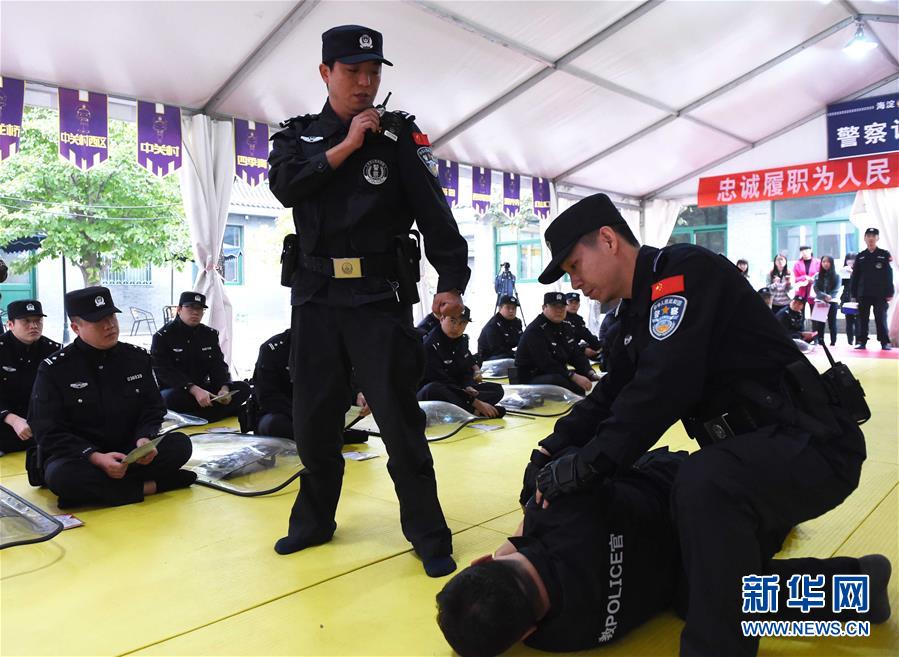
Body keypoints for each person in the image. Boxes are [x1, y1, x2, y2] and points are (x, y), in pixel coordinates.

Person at [524, 193, 866, 657]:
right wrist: (552, 448)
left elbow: (662, 389)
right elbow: (613, 393)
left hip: (812, 446)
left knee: (702, 483)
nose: (574, 280)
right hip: (753, 457)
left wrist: (586, 466)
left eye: (574, 263)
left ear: (607, 240)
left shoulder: (682, 276)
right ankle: (855, 589)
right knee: (699, 588)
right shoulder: (634, 316)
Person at [267, 25, 470, 576]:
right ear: (325, 73)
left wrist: (450, 280)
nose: (364, 81)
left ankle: (428, 533)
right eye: (353, 71)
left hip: (378, 300)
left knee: (400, 422)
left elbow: (436, 215)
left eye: (373, 72)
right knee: (313, 421)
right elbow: (285, 188)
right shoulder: (297, 137)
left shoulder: (401, 137)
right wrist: (348, 144)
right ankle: (313, 523)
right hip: (315, 299)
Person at [436, 448, 891, 657]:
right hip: (692, 498)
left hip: (690, 568)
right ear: (483, 560)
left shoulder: (559, 639)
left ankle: (859, 586)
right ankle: (778, 517)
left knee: (716, 601)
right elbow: (595, 458)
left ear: (526, 630)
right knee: (719, 573)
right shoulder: (553, 512)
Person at [28, 286, 195, 508]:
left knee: (181, 445)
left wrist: (145, 439)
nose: (110, 326)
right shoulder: (55, 369)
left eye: (111, 317)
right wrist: (95, 456)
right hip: (81, 457)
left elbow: (153, 408)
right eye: (98, 321)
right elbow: (47, 430)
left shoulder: (136, 358)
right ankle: (152, 486)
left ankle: (102, 493)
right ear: (76, 327)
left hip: (129, 452)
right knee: (63, 477)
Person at [251, 328, 369, 443]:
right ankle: (329, 437)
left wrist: (359, 394)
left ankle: (323, 436)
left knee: (356, 407)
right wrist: (303, 415)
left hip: (319, 411)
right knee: (277, 425)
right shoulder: (273, 348)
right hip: (285, 412)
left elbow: (345, 379)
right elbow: (267, 396)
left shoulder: (330, 346)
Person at [150, 291, 251, 422]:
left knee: (243, 388)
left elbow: (218, 365)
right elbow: (164, 371)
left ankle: (197, 417)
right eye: (190, 307)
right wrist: (193, 389)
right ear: (179, 309)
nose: (195, 312)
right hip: (179, 390)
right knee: (168, 399)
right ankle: (218, 414)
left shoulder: (209, 334)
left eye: (200, 309)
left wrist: (224, 388)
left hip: (206, 390)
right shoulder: (163, 336)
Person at [418, 306, 505, 419]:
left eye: (462, 323)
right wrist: (474, 401)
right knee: (433, 388)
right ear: (442, 319)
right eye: (453, 321)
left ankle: (465, 410)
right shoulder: (429, 344)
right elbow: (441, 381)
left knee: (497, 389)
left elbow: (465, 370)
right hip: (435, 393)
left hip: (457, 391)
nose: (456, 327)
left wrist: (467, 386)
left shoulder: (462, 341)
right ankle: (472, 411)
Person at [0, 300, 60, 454]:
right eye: (26, 321)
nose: (34, 326)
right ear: (10, 324)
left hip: (39, 426)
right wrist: (11, 419)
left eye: (38, 321)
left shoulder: (53, 351)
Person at [515, 292, 598, 396]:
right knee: (569, 385)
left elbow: (576, 355)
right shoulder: (535, 330)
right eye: (554, 306)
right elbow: (545, 363)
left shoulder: (565, 327)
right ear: (544, 307)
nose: (559, 310)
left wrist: (590, 372)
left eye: (562, 307)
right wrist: (572, 375)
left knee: (585, 378)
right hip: (532, 377)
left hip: (556, 372)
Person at [851, 228, 894, 351]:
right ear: (864, 238)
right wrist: (854, 294)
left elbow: (888, 275)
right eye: (868, 236)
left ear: (877, 238)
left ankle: (884, 342)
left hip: (880, 294)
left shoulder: (884, 254)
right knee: (862, 319)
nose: (871, 238)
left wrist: (890, 292)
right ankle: (861, 341)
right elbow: (855, 277)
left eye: (873, 236)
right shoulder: (860, 256)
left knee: (881, 318)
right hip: (863, 293)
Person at [477, 294, 523, 362]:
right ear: (500, 308)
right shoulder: (493, 325)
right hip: (489, 358)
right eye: (508, 307)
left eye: (514, 308)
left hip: (506, 354)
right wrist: (516, 354)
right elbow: (497, 350)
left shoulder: (517, 322)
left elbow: (521, 340)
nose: (511, 311)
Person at [811, 255, 841, 346]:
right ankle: (819, 341)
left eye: (828, 262)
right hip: (820, 301)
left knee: (832, 322)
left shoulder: (837, 275)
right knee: (819, 323)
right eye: (823, 261)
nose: (825, 264)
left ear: (831, 263)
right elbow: (815, 288)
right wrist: (825, 296)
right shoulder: (817, 275)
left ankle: (833, 342)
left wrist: (830, 297)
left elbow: (836, 289)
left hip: (832, 301)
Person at [563, 292, 601, 358]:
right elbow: (564, 342)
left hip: (575, 352)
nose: (574, 305)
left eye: (576, 303)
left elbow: (587, 335)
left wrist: (600, 346)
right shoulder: (561, 318)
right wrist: (582, 350)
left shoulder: (578, 320)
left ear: (579, 305)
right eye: (570, 302)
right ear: (565, 304)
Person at [792, 246, 820, 313]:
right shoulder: (797, 264)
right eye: (802, 251)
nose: (804, 253)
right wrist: (804, 277)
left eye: (806, 251)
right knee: (799, 315)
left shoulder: (818, 262)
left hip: (815, 292)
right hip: (801, 292)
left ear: (811, 251)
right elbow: (794, 279)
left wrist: (814, 280)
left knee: (817, 317)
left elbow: (821, 276)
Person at [839, 254, 857, 345]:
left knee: (859, 320)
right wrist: (842, 273)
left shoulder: (859, 270)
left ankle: (859, 340)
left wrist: (853, 274)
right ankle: (850, 341)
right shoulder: (844, 270)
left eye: (853, 259)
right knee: (849, 320)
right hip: (846, 298)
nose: (850, 262)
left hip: (858, 298)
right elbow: (840, 284)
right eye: (848, 259)